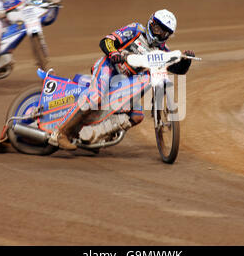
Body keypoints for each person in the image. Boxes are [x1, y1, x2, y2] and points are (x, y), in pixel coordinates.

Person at [49, 9, 195, 150]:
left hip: (124, 81)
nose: (159, 35)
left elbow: (177, 69)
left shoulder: (162, 51)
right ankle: (59, 133)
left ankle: (94, 135)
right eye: (157, 29)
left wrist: (185, 60)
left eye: (164, 33)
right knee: (96, 97)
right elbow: (107, 40)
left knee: (137, 116)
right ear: (151, 23)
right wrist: (113, 53)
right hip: (109, 67)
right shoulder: (135, 30)